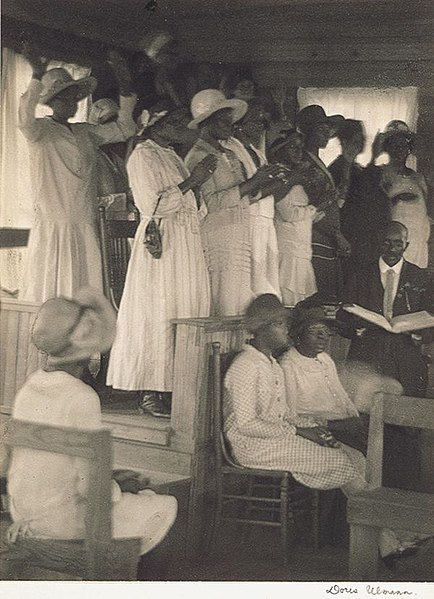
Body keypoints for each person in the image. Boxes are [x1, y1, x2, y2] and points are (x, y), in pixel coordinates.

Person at [223, 294, 427, 566]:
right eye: (282, 325)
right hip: (253, 446)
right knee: (341, 461)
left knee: (353, 457)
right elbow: (247, 425)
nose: (287, 330)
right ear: (264, 328)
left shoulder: (268, 363)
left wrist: (314, 430)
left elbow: (286, 415)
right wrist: (301, 433)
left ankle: (384, 538)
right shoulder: (246, 367)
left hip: (276, 438)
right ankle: (387, 540)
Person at [7, 287, 177, 558]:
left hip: (25, 511)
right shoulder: (81, 397)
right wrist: (119, 489)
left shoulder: (29, 387)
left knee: (133, 499)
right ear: (88, 354)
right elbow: (89, 485)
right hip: (64, 521)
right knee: (164, 506)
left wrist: (111, 480)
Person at [107, 103, 215, 418]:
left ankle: (172, 386)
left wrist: (197, 186)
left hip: (186, 242)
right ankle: (149, 391)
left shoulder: (170, 155)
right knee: (159, 311)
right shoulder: (143, 155)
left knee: (183, 308)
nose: (184, 126)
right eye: (177, 120)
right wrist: (193, 181)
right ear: (156, 123)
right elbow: (152, 204)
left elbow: (191, 204)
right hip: (164, 244)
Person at [19, 47, 137, 303]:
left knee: (86, 284)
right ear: (50, 102)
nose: (71, 104)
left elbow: (125, 128)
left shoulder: (86, 132)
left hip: (85, 219)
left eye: (74, 98)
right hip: (55, 222)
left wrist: (125, 88)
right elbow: (24, 117)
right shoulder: (40, 131)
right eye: (64, 98)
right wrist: (37, 75)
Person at [339, 220, 434, 489]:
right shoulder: (360, 273)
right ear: (378, 243)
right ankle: (367, 492)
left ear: (407, 244)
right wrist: (353, 329)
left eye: (398, 243)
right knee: (366, 426)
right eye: (386, 242)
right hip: (368, 358)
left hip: (406, 361)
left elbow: (431, 317)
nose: (392, 248)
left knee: (406, 429)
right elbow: (343, 315)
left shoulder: (420, 277)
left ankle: (402, 495)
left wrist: (422, 336)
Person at [185, 89, 286, 316]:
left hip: (239, 235)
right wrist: (253, 182)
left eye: (230, 122)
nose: (230, 127)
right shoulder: (198, 156)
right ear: (206, 123)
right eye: (223, 122)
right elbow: (211, 203)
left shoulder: (229, 153)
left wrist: (264, 181)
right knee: (224, 303)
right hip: (218, 237)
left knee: (239, 303)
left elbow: (245, 195)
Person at [279, 304, 368, 454]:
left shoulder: (325, 359)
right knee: (360, 453)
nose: (322, 336)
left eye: (326, 331)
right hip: (317, 428)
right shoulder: (288, 365)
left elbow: (342, 396)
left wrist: (355, 418)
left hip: (343, 423)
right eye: (314, 330)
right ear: (298, 335)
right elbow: (291, 415)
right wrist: (332, 424)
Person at [223, 101, 281, 297]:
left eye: (262, 123)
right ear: (239, 125)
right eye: (255, 122)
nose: (261, 127)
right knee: (252, 281)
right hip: (248, 220)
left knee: (267, 279)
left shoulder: (256, 152)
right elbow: (244, 189)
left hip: (265, 221)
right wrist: (265, 185)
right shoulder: (231, 150)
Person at [295, 105, 351, 301]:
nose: (326, 134)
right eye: (321, 129)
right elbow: (314, 205)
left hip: (327, 239)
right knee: (318, 298)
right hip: (317, 237)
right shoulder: (304, 162)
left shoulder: (317, 161)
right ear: (308, 132)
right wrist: (337, 235)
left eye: (328, 129)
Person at [270, 129, 329, 306]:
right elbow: (288, 214)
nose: (298, 152)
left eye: (300, 148)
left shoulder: (296, 177)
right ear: (280, 150)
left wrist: (319, 210)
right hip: (288, 252)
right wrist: (316, 207)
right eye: (292, 147)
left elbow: (304, 217)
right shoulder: (280, 177)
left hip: (301, 251)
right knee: (289, 301)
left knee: (301, 305)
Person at [329, 119, 391, 275]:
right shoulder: (338, 167)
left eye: (363, 139)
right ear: (344, 141)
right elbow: (359, 194)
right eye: (357, 139)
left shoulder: (355, 167)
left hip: (363, 238)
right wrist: (374, 157)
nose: (362, 143)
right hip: (349, 236)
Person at [379, 121, 431, 268]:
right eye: (394, 144)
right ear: (387, 148)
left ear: (409, 148)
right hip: (394, 244)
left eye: (403, 144)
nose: (399, 149)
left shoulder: (418, 178)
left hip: (417, 243)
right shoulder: (381, 174)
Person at [88, 98, 137, 218]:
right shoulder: (90, 160)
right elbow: (88, 203)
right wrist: (124, 199)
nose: (114, 129)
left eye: (116, 123)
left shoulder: (116, 158)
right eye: (108, 124)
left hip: (121, 228)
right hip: (100, 228)